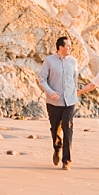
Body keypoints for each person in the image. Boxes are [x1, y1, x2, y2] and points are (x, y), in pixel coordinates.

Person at [38, 36, 79, 170]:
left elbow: (75, 80)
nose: (70, 48)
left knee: (68, 129)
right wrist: (51, 93)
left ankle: (67, 160)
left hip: (69, 102)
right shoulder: (49, 61)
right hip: (53, 102)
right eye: (68, 45)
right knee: (55, 129)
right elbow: (42, 80)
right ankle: (57, 148)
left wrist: (74, 95)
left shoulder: (73, 61)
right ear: (60, 47)